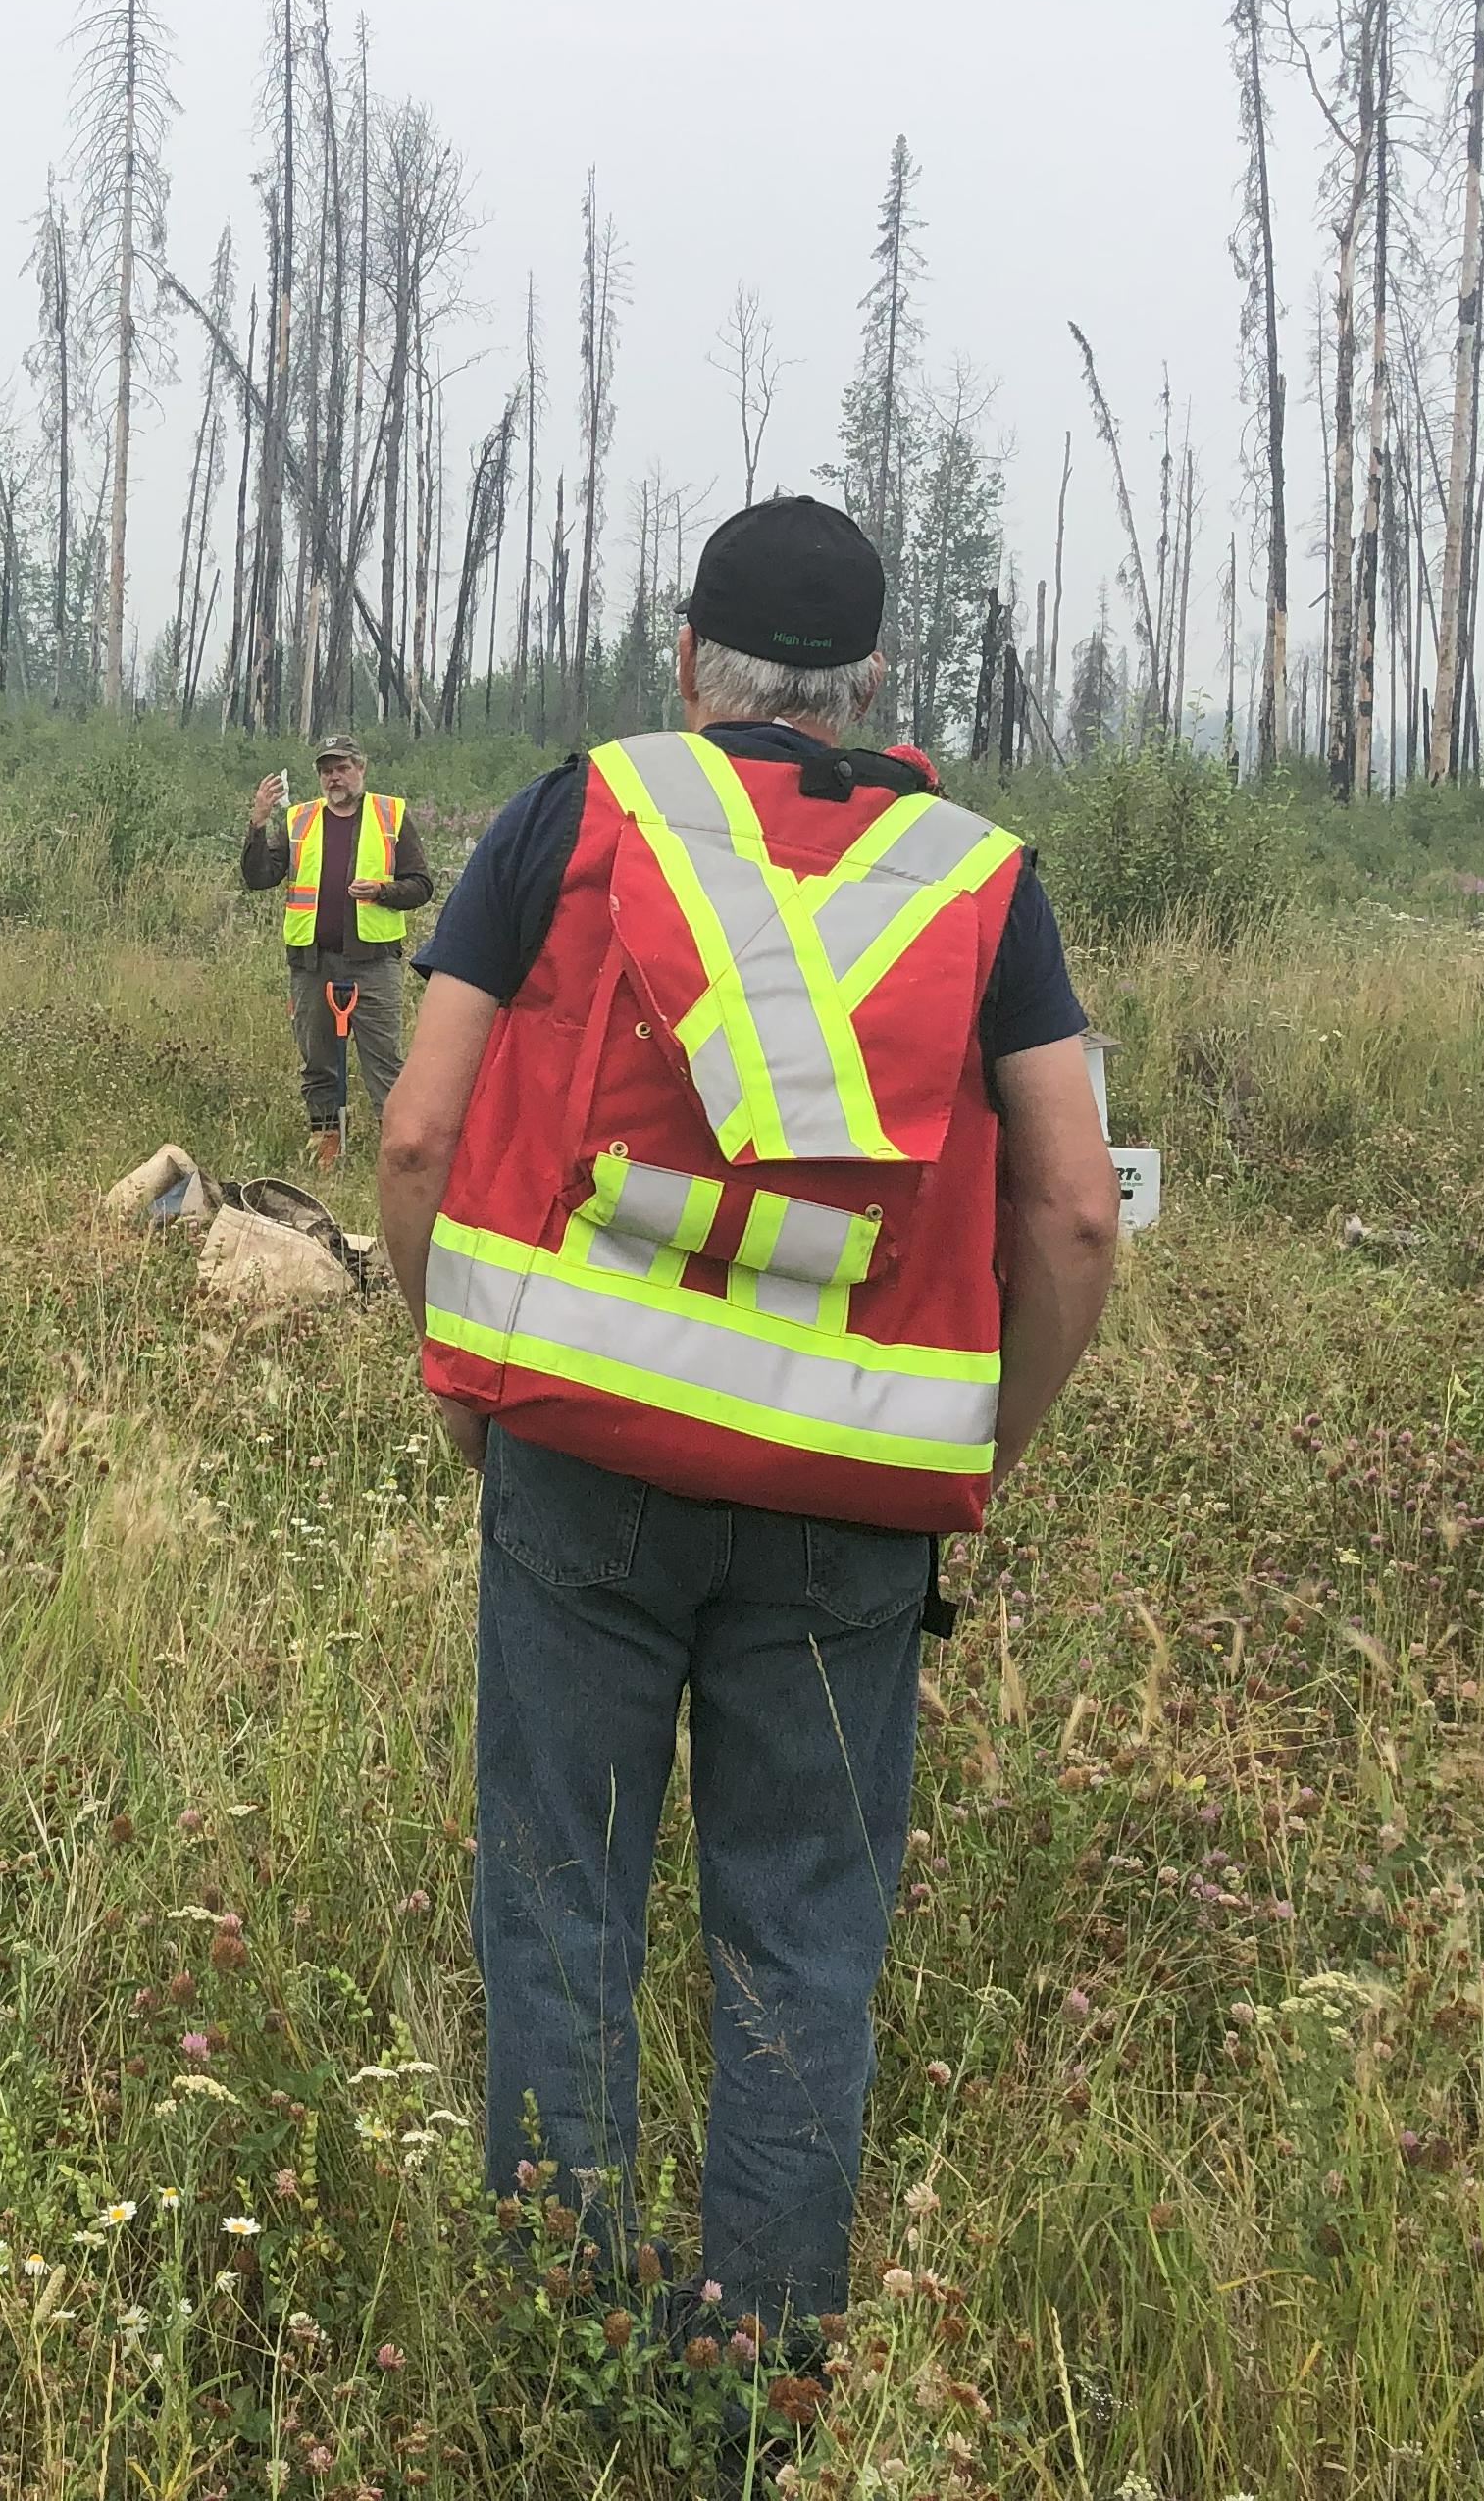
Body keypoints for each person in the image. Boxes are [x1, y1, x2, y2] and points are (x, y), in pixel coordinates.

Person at [376, 497, 1119, 2472]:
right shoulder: (984, 879)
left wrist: (466, 1383)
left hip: (582, 1468)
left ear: (688, 659)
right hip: (856, 1513)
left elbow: (416, 1133)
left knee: (555, 1907)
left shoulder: (578, 814)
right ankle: (752, 2419)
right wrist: (971, 1460)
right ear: (876, 687)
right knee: (800, 1936)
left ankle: (561, 2383)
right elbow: (1070, 1213)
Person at [238, 731, 430, 1169]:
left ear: (360, 769)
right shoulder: (299, 820)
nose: (334, 777)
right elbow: (259, 877)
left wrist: (383, 890)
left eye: (342, 767)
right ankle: (327, 1141)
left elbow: (421, 885)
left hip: (374, 961)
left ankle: (395, 1150)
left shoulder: (391, 815)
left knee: (384, 1060)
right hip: (311, 961)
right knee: (318, 1057)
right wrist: (258, 821)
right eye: (326, 770)